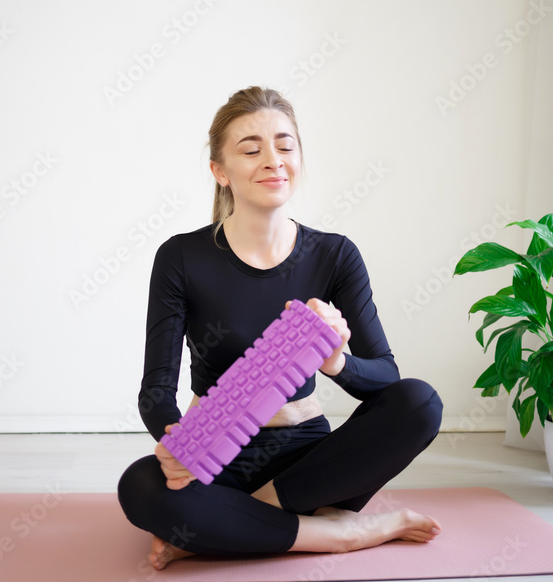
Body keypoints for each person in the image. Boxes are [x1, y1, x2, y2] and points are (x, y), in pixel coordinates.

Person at [117, 86, 444, 570]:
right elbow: (155, 390)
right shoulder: (181, 258)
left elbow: (386, 379)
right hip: (215, 460)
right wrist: (175, 444)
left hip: (309, 460)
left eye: (285, 146)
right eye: (251, 149)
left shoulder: (334, 254)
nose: (273, 159)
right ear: (220, 171)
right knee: (140, 486)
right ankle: (347, 531)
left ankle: (231, 529)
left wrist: (335, 361)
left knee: (420, 402)